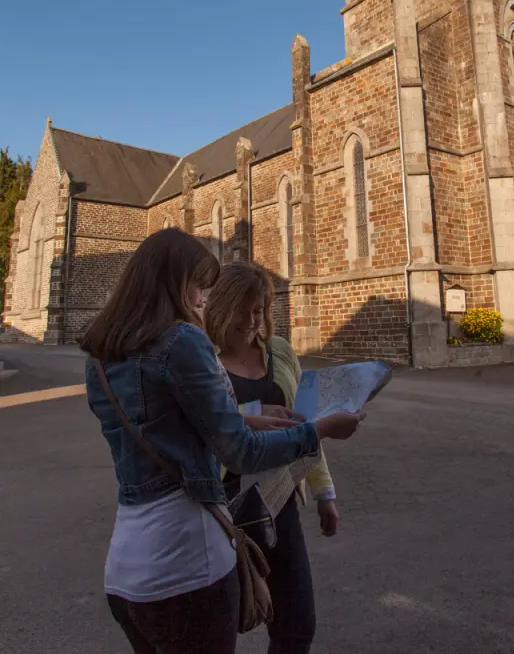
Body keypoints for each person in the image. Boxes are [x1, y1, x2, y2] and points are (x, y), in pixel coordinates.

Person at [82, 228, 363, 654]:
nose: (201, 299)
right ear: (175, 283)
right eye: (198, 286)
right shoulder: (184, 340)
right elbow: (240, 453)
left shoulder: (100, 357)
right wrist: (319, 430)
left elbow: (162, 425)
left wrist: (246, 418)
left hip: (126, 570)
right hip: (188, 560)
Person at [204, 261, 337, 654]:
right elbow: (201, 426)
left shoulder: (279, 352)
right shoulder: (202, 360)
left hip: (279, 502)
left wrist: (325, 492)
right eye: (241, 310)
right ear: (219, 308)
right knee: (219, 627)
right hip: (223, 506)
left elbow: (305, 424)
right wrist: (252, 415)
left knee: (297, 624)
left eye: (258, 310)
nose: (250, 321)